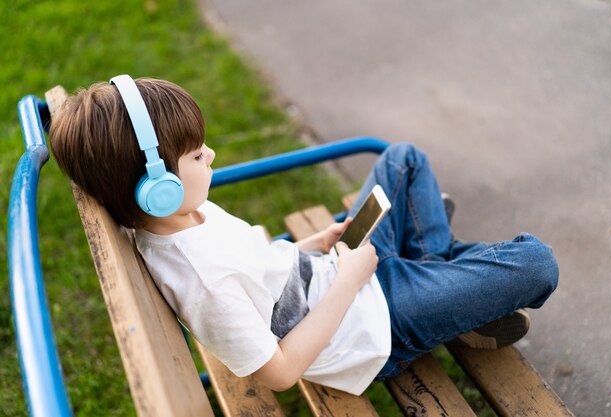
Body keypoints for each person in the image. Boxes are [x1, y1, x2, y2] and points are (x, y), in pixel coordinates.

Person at [49, 76, 559, 395]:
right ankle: (444, 280)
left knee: (403, 159)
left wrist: (312, 245)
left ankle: (441, 272)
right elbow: (279, 373)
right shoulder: (205, 284)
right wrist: (347, 281)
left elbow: (259, 270)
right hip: (370, 325)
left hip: (336, 272)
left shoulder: (183, 211)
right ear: (156, 190)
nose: (212, 156)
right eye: (197, 155)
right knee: (536, 263)